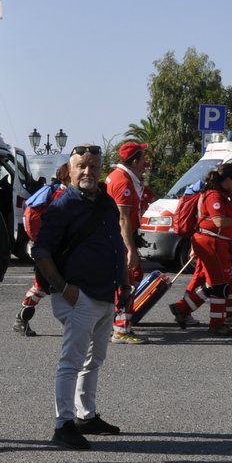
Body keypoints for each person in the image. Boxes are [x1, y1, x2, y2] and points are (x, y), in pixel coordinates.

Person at [32, 145, 127, 450]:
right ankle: (63, 424)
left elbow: (117, 246)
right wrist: (63, 287)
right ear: (69, 170)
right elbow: (41, 251)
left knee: (95, 358)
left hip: (104, 294)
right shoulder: (63, 205)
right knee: (71, 361)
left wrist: (123, 285)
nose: (88, 172)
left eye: (94, 167)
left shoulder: (106, 202)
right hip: (79, 295)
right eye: (81, 166)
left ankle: (86, 415)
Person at [169, 163, 232, 336]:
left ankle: (184, 309)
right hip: (211, 244)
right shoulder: (214, 196)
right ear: (228, 179)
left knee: (213, 281)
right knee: (219, 283)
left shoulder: (225, 195)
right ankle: (216, 323)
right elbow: (219, 221)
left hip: (218, 243)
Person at [105, 141, 154, 344]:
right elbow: (123, 218)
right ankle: (121, 329)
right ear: (134, 161)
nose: (146, 163)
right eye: (143, 159)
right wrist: (131, 250)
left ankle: (117, 324)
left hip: (114, 236)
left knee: (125, 279)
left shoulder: (120, 176)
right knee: (129, 278)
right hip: (119, 238)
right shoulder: (124, 181)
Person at [14, 162, 71, 336]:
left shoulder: (55, 192)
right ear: (68, 176)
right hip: (54, 250)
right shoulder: (63, 196)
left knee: (43, 286)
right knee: (42, 286)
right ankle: (21, 319)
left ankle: (21, 320)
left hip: (48, 248)